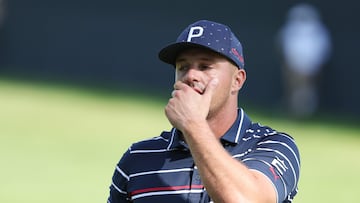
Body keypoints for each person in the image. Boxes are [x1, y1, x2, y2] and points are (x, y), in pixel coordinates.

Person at [107, 20, 300, 203]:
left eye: (205, 66)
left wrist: (193, 124)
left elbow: (247, 200)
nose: (190, 75)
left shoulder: (273, 145)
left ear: (237, 80)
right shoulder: (138, 158)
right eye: (182, 67)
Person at [277, 3, 332, 118]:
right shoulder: (291, 30)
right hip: (293, 67)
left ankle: (306, 112)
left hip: (310, 68)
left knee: (307, 90)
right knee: (293, 90)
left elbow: (321, 50)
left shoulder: (317, 32)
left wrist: (312, 67)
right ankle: (293, 111)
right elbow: (285, 47)